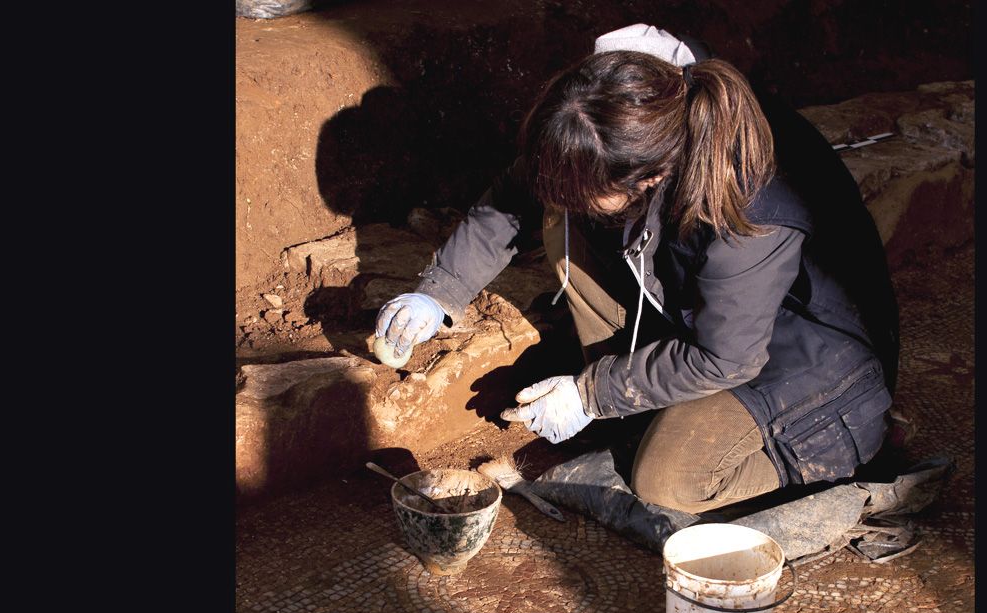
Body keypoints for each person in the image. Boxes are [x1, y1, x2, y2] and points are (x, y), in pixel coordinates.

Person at [374, 25, 900, 529]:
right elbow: (518, 191)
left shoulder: (747, 202)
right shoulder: (621, 107)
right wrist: (438, 292)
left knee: (667, 478)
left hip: (807, 354)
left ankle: (840, 449)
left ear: (649, 177)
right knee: (563, 215)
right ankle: (635, 410)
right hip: (709, 307)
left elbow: (727, 356)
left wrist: (592, 394)